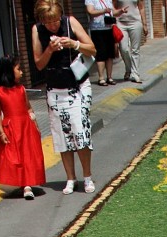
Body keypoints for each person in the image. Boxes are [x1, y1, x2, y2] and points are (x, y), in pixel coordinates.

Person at [32, 0, 97, 194]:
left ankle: (87, 177)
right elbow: (38, 64)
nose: (52, 25)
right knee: (62, 135)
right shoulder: (37, 30)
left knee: (80, 131)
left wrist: (74, 44)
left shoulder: (70, 22)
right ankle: (70, 178)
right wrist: (50, 50)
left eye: (55, 21)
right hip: (55, 87)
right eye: (47, 22)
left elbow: (92, 49)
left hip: (78, 86)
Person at [0, 54, 45, 200]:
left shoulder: (21, 89)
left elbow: (28, 108)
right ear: (9, 71)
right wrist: (1, 132)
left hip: (26, 126)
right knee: (15, 156)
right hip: (11, 128)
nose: (21, 72)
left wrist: (35, 123)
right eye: (18, 69)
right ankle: (19, 182)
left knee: (28, 155)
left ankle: (27, 185)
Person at [86, 0, 120, 85]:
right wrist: (103, 11)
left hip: (109, 28)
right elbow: (91, 11)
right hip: (97, 29)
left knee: (110, 54)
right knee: (101, 53)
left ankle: (109, 77)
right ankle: (101, 78)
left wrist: (120, 11)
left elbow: (113, 11)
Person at [118, 0, 147, 81]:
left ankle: (135, 73)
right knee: (124, 49)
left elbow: (141, 8)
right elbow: (113, 6)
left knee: (135, 50)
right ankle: (128, 68)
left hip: (135, 22)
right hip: (120, 23)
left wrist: (144, 24)